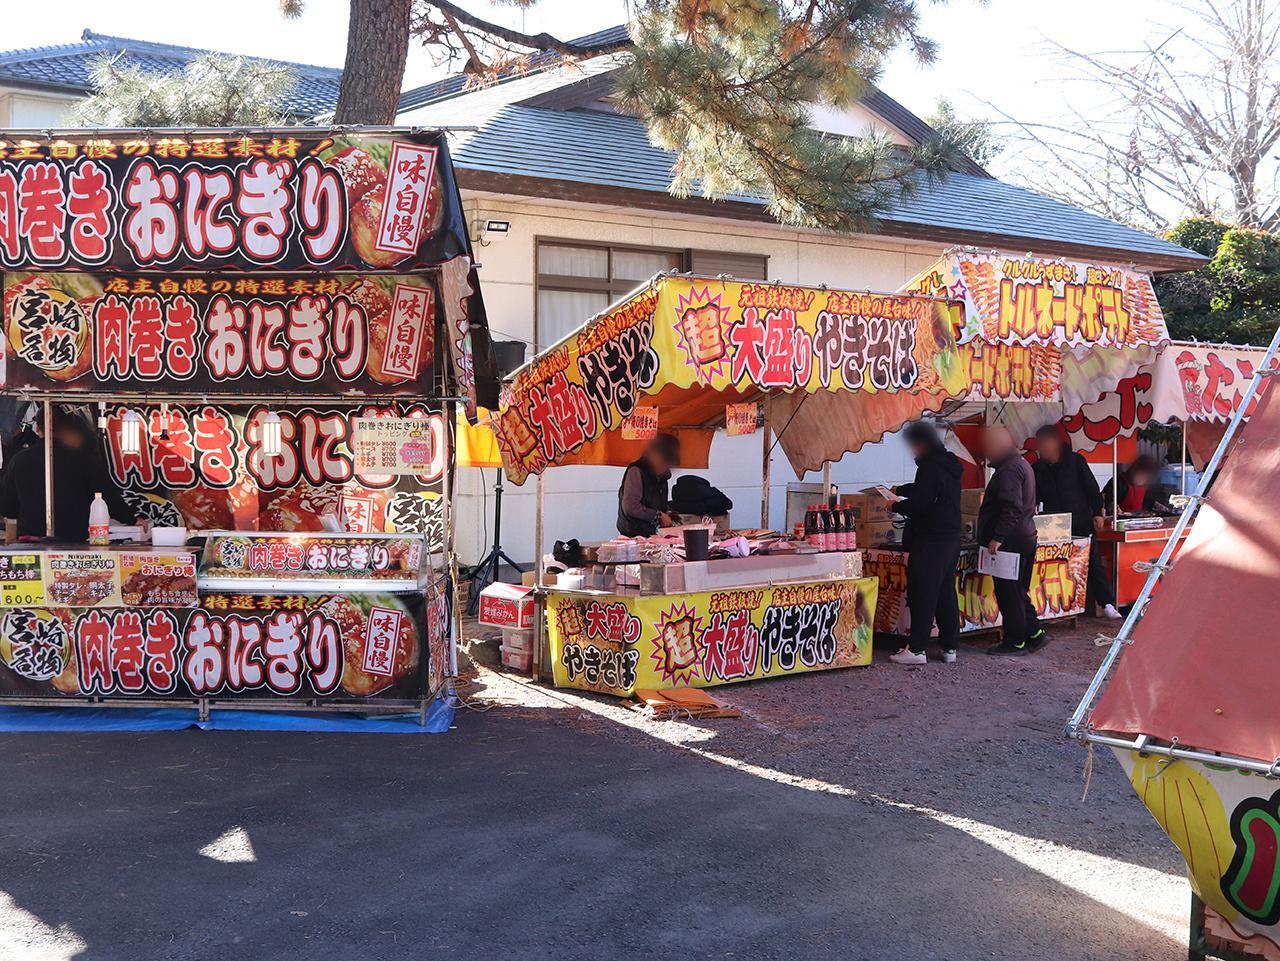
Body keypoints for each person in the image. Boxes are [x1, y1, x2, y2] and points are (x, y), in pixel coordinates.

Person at [887, 421, 963, 666]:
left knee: (924, 591)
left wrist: (895, 505)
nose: (912, 451)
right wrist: (901, 489)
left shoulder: (929, 467)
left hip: (930, 539)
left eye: (912, 445)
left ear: (921, 443)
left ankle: (917, 648)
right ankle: (950, 646)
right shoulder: (949, 464)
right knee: (944, 592)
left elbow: (922, 503)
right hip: (950, 537)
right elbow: (926, 491)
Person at [0, 410, 140, 542]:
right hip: (74, 542)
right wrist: (132, 519)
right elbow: (106, 496)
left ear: (37, 428)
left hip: (31, 541)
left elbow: (7, 507)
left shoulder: (19, 460)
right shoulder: (83, 458)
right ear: (66, 429)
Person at [1032, 426, 1122, 620]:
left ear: (1055, 442)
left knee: (1092, 562)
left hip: (1081, 520)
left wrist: (1098, 512)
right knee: (1055, 564)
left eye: (1044, 443)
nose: (1042, 448)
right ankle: (1061, 604)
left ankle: (1106, 603)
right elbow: (1034, 496)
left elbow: (1092, 488)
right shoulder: (1038, 468)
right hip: (1053, 525)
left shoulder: (1075, 461)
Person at [979, 426, 1048, 656]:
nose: (986, 452)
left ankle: (1015, 640)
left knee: (1010, 592)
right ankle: (1035, 633)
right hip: (1024, 537)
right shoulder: (1020, 465)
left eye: (989, 447)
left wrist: (998, 537)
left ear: (999, 446)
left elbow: (1012, 507)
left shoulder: (1009, 470)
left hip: (1012, 542)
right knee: (1018, 591)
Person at [616, 433, 681, 536]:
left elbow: (657, 504)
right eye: (662, 462)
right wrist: (658, 515)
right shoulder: (636, 471)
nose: (663, 468)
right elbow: (630, 507)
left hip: (654, 535)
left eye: (667, 464)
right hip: (633, 536)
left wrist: (668, 513)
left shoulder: (662, 477)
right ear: (653, 454)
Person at [1102, 455, 1169, 515]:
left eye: (1147, 476)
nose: (1144, 477)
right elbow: (1105, 499)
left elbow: (1147, 501)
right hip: (1119, 521)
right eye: (1142, 474)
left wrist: (1158, 506)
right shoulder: (1119, 482)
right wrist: (1113, 508)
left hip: (1137, 520)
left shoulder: (1144, 485)